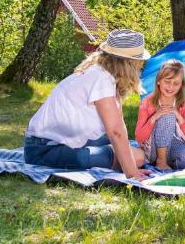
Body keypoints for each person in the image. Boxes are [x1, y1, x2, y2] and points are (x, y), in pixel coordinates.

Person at [24, 29, 150, 180]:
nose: (141, 66)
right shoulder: (101, 79)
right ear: (130, 63)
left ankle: (116, 156)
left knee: (134, 153)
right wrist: (132, 172)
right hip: (46, 150)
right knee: (138, 157)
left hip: (54, 143)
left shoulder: (100, 73)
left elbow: (118, 125)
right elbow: (116, 132)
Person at [135, 59, 185, 171]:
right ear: (159, 81)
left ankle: (169, 160)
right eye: (167, 81)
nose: (171, 87)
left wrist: (178, 116)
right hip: (153, 148)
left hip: (175, 145)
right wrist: (154, 117)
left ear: (181, 85)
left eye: (176, 83)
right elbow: (139, 137)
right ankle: (161, 160)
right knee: (167, 115)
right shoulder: (147, 102)